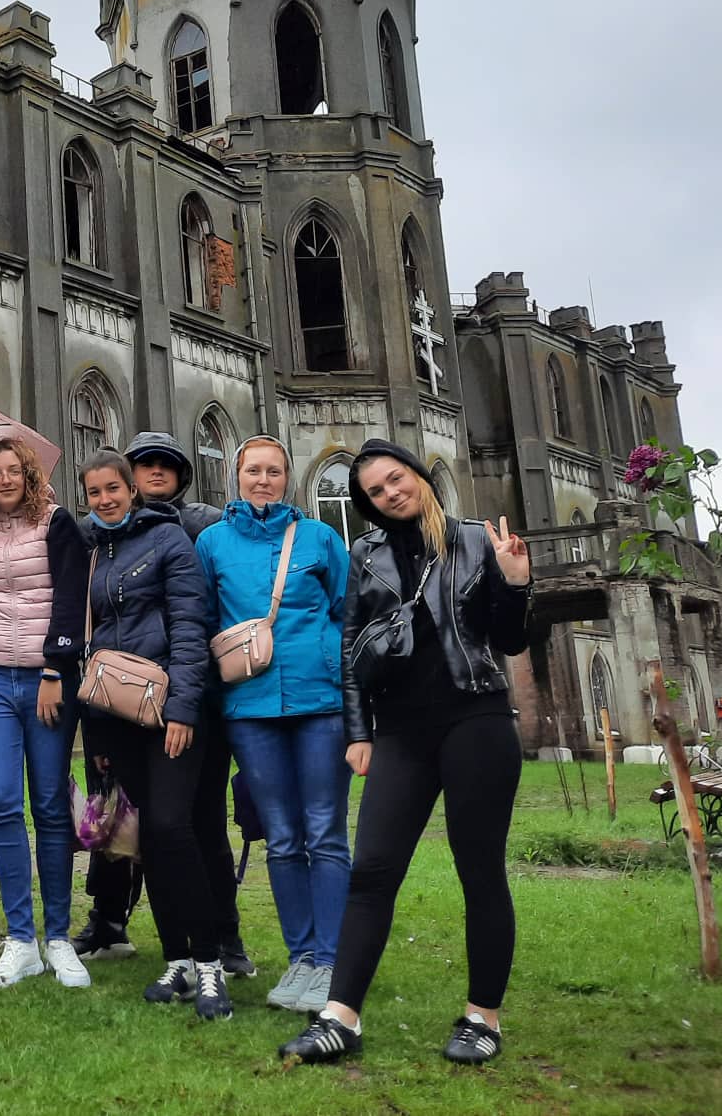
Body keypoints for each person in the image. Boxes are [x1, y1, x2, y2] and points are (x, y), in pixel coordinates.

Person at [281, 440, 532, 1068]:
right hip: (399, 732)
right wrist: (358, 731)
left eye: (397, 479)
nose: (390, 493)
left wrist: (516, 583)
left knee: (479, 871)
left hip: (475, 717)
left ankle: (483, 1018)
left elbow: (510, 640)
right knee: (372, 871)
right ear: (366, 504)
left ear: (419, 476)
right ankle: (341, 1017)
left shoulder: (477, 539)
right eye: (375, 491)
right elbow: (350, 652)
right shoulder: (365, 556)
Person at [48, 451, 229, 1019]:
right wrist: (98, 742)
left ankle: (210, 966)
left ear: (132, 490)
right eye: (94, 492)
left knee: (176, 829)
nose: (104, 499)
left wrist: (183, 709)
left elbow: (189, 628)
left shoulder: (170, 542)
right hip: (115, 715)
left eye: (113, 489)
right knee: (147, 839)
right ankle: (175, 961)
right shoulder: (90, 549)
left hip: (167, 712)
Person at [77, 430, 257, 975]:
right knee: (114, 817)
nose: (155, 473)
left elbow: (192, 621)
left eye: (165, 466)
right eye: (144, 464)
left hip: (185, 696)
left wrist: (184, 701)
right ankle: (111, 917)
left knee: (192, 824)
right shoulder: (91, 538)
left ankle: (220, 941)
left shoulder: (195, 526)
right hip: (116, 701)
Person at [195, 434, 350, 1015]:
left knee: (325, 834)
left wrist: (329, 659)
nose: (264, 480)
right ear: (237, 476)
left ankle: (333, 961)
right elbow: (205, 618)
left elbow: (346, 609)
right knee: (282, 839)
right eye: (253, 471)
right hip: (251, 709)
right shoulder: (212, 543)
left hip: (320, 704)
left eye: (274, 471)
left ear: (288, 478)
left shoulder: (319, 538)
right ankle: (302, 957)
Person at [0, 438, 89, 988]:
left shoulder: (57, 525)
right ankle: (20, 940)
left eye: (14, 471)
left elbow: (72, 599)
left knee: (50, 805)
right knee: (3, 803)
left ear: (28, 476)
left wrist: (56, 670)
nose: (5, 480)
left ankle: (59, 939)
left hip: (46, 680)